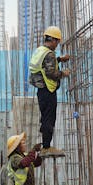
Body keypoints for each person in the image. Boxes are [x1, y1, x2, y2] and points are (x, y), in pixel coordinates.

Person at [29, 26, 70, 156]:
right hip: (48, 90)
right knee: (49, 118)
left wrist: (59, 60)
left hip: (41, 90)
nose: (57, 45)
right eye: (57, 42)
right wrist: (64, 73)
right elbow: (51, 73)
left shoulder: (40, 50)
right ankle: (46, 147)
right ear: (52, 40)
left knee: (45, 116)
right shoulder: (49, 53)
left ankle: (45, 144)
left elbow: (44, 64)